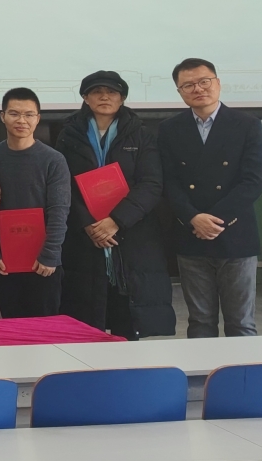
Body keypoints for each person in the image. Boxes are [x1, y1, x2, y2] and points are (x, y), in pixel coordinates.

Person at [55, 71, 175, 339]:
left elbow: (151, 183)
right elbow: (64, 185)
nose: (104, 97)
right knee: (86, 322)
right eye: (97, 92)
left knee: (128, 323)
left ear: (122, 98)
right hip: (86, 238)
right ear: (85, 98)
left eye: (112, 92)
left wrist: (116, 221)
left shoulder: (141, 135)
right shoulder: (68, 135)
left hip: (132, 235)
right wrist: (88, 224)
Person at [159, 58, 262, 338]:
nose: (198, 89)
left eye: (204, 81)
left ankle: (244, 368)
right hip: (191, 234)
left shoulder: (247, 124)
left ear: (218, 83)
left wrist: (215, 220)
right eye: (188, 85)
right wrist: (193, 218)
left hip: (236, 234)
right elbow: (169, 181)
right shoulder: (170, 129)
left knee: (241, 323)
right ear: (180, 91)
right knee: (200, 322)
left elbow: (253, 181)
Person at [0, 88, 70, 319]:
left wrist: (50, 254)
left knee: (45, 327)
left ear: (38, 118)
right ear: (3, 116)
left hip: (43, 260)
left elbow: (59, 211)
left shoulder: (53, 159)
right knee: (12, 325)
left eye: (28, 114)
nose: (21, 120)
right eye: (14, 113)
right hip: (4, 261)